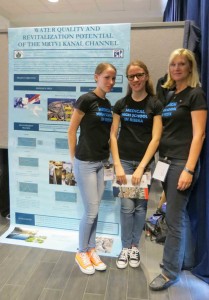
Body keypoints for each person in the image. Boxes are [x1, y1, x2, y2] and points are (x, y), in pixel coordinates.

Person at [149, 48, 207, 291]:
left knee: (174, 220)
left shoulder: (196, 95)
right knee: (180, 216)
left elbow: (199, 134)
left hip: (182, 164)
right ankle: (186, 261)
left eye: (182, 64)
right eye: (173, 64)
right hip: (166, 162)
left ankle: (169, 271)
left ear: (190, 68)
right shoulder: (172, 96)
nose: (176, 68)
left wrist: (189, 169)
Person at [110, 60, 163, 269]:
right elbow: (113, 135)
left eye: (139, 75)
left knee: (140, 208)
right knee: (126, 206)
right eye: (131, 76)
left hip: (144, 165)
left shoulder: (155, 104)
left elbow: (156, 139)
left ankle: (134, 247)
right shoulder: (121, 104)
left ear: (146, 76)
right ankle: (124, 247)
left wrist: (142, 167)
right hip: (124, 162)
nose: (135, 80)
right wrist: (117, 165)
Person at [68, 62, 116, 275]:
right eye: (107, 77)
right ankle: (81, 252)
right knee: (91, 211)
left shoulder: (108, 104)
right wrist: (74, 160)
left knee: (95, 211)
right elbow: (71, 131)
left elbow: (109, 136)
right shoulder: (86, 99)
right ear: (96, 77)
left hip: (101, 163)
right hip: (85, 163)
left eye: (113, 78)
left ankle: (90, 249)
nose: (110, 82)